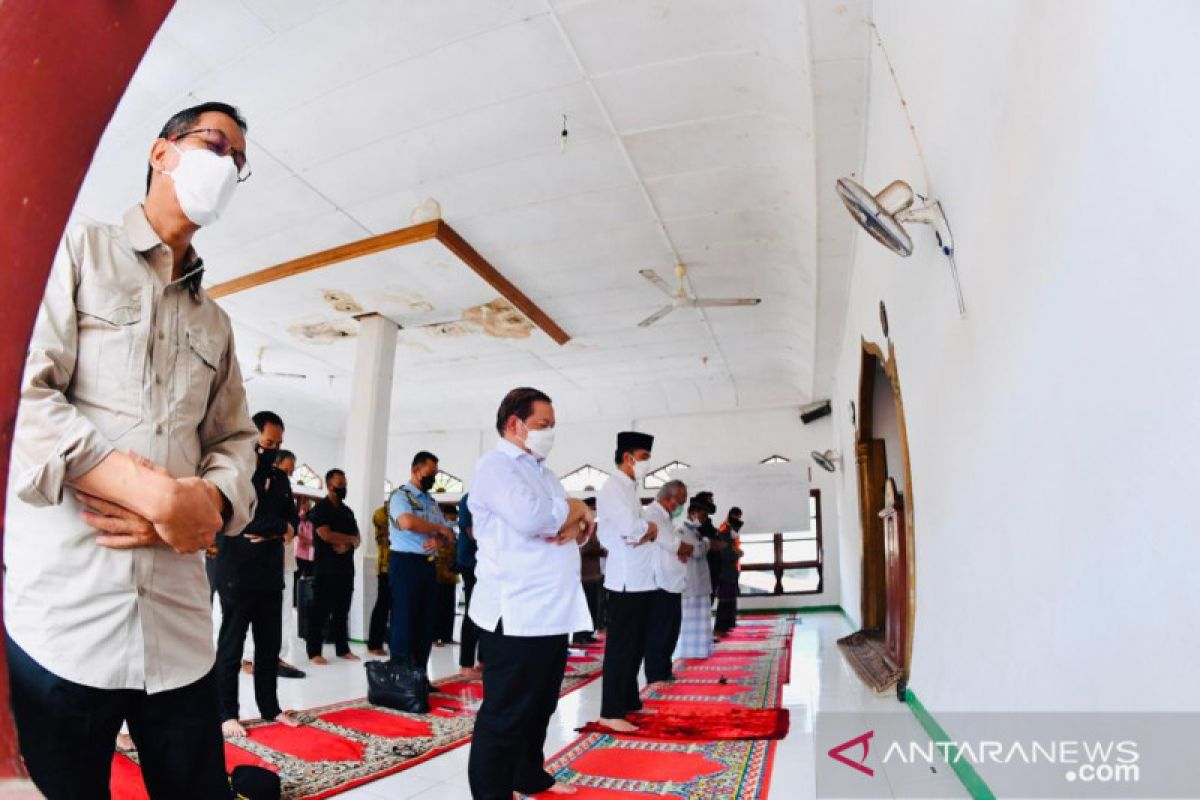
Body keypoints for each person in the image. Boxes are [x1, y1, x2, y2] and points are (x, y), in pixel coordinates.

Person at [6, 101, 257, 798]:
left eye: (241, 162)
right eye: (217, 145)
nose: (230, 167)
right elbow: (24, 395)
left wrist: (202, 502)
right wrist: (150, 493)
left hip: (177, 631)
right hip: (67, 619)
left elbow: (235, 440)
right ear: (162, 153)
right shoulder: (76, 250)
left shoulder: (218, 322)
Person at [466, 387, 594, 799]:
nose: (549, 433)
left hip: (551, 611)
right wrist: (572, 508)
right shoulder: (495, 466)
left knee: (541, 705)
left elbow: (572, 530)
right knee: (505, 714)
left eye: (553, 426)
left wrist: (572, 515)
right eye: (543, 425)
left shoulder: (544, 473)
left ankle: (528, 774)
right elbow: (531, 518)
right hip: (516, 611)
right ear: (514, 424)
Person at [214, 411, 302, 736]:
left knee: (269, 646)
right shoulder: (235, 475)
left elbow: (294, 522)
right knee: (232, 646)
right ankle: (226, 714)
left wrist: (278, 528)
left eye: (278, 444)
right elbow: (235, 521)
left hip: (269, 574)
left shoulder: (280, 479)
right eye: (268, 443)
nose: (273, 449)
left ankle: (270, 708)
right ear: (252, 438)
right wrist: (278, 527)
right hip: (236, 573)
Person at [596, 430, 659, 733]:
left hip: (641, 578)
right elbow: (632, 529)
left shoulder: (630, 488)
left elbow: (640, 530)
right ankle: (610, 710)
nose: (647, 463)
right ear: (627, 457)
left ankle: (629, 700)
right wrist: (648, 529)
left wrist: (645, 530)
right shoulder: (613, 488)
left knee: (636, 645)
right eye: (644, 458)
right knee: (621, 647)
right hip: (624, 581)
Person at [388, 452, 455, 682]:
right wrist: (437, 529)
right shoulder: (401, 496)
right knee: (405, 622)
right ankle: (401, 678)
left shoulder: (432, 502)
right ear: (416, 470)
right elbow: (407, 522)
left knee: (426, 623)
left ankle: (419, 676)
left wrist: (439, 538)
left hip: (428, 566)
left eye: (435, 474)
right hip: (405, 564)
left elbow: (449, 535)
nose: (433, 478)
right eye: (430, 473)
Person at [305, 469, 362, 664]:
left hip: (345, 569)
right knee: (319, 610)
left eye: (345, 485)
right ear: (329, 486)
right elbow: (325, 534)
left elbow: (358, 538)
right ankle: (314, 652)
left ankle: (342, 649)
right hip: (325, 569)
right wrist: (350, 539)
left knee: (342, 610)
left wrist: (348, 543)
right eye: (340, 485)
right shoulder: (320, 509)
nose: (343, 489)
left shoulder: (347, 511)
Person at [642, 480, 693, 690]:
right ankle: (655, 674)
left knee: (671, 630)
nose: (680, 506)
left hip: (672, 582)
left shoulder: (666, 517)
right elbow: (670, 543)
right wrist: (684, 548)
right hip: (659, 582)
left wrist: (682, 549)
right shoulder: (653, 515)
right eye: (680, 502)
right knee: (659, 631)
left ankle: (664, 669)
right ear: (669, 499)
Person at [674, 500, 724, 659]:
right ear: (692, 514)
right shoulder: (681, 531)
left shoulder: (696, 532)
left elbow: (699, 548)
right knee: (689, 621)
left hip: (701, 582)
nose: (702, 520)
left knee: (702, 620)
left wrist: (705, 544)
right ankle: (689, 651)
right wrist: (707, 544)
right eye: (701, 516)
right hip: (690, 583)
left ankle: (701, 650)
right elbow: (696, 552)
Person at [273, 449, 306, 677]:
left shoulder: (286, 492)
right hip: (262, 561)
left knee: (283, 612)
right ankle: (248, 658)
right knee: (256, 611)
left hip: (285, 561)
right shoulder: (261, 485)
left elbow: (293, 520)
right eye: (286, 470)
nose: (289, 475)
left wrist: (290, 528)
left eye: (291, 471)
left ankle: (278, 657)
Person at [572, 498, 606, 646]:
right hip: (585, 574)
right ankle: (579, 636)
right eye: (592, 508)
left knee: (593, 606)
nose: (594, 512)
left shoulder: (594, 527)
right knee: (584, 606)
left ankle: (588, 633)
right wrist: (601, 551)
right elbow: (583, 548)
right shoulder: (581, 526)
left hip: (594, 573)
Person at [456, 492, 483, 679]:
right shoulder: (470, 499)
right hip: (471, 563)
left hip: (489, 564)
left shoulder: (493, 496)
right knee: (473, 613)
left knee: (488, 614)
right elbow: (472, 533)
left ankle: (484, 661)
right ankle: (466, 665)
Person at [366, 502, 392, 656]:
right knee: (382, 605)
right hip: (385, 567)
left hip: (401, 567)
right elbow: (386, 537)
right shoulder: (381, 514)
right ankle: (374, 644)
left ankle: (391, 641)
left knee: (397, 607)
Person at [433, 506, 461, 646]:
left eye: (455, 518)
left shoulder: (453, 533)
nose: (453, 521)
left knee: (448, 607)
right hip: (437, 574)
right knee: (436, 607)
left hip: (450, 574)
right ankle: (434, 638)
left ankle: (446, 636)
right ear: (444, 516)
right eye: (451, 518)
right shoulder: (436, 531)